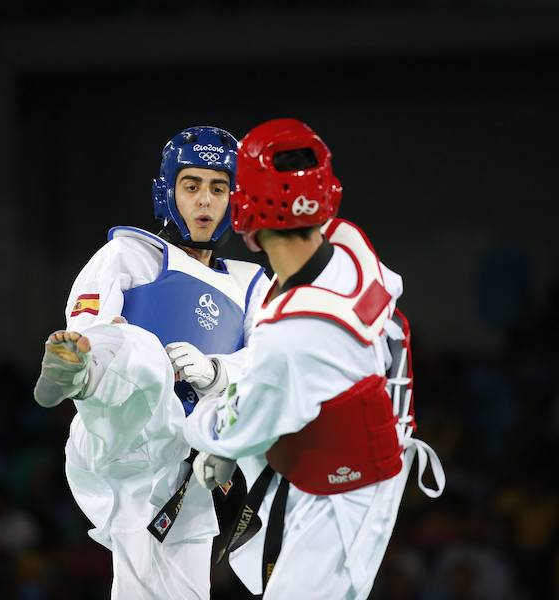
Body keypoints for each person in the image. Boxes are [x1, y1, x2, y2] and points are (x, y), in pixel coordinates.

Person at [183, 118, 446, 599]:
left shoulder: (294, 334)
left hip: (340, 496)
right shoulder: (349, 246)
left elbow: (241, 429)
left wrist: (202, 426)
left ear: (243, 209)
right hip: (349, 444)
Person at [32, 125, 270, 599]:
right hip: (119, 426)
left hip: (188, 459)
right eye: (192, 186)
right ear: (167, 193)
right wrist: (81, 353)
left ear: (235, 200)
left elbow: (271, 365)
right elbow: (88, 324)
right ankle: (78, 376)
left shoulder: (251, 285)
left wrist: (217, 373)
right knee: (137, 348)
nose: (205, 201)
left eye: (218, 188)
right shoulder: (131, 253)